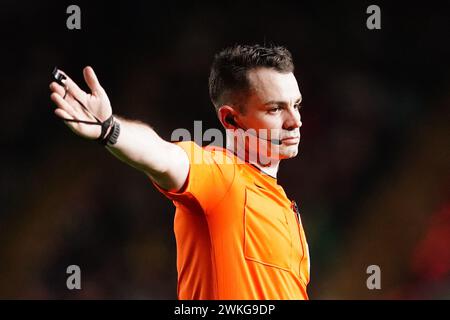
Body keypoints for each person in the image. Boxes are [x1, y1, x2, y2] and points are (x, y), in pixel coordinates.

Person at [49, 44, 310, 300]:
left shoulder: (285, 207)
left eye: (296, 105)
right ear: (230, 119)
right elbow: (163, 157)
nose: (295, 121)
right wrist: (110, 129)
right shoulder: (221, 176)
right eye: (275, 109)